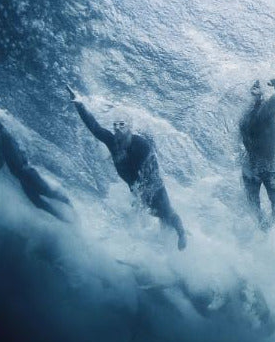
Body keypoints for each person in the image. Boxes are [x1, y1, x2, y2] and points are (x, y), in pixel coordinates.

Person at [66, 84, 186, 249]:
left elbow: (146, 176)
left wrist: (140, 198)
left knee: (166, 215)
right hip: (136, 188)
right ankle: (160, 245)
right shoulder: (112, 142)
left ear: (130, 128)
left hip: (155, 188)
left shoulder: (141, 146)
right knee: (156, 218)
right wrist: (79, 104)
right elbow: (95, 128)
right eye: (114, 125)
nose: (116, 128)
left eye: (121, 124)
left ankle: (182, 234)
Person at [0, 90, 73, 221]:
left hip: (27, 173)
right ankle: (65, 218)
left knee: (47, 193)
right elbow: (1, 161)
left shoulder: (5, 134)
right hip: (23, 178)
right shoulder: (1, 140)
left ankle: (71, 207)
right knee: (38, 203)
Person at [240, 78, 275, 229]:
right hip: (261, 166)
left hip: (258, 166)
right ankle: (266, 224)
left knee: (264, 201)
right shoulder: (254, 114)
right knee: (262, 201)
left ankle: (267, 223)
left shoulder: (257, 113)